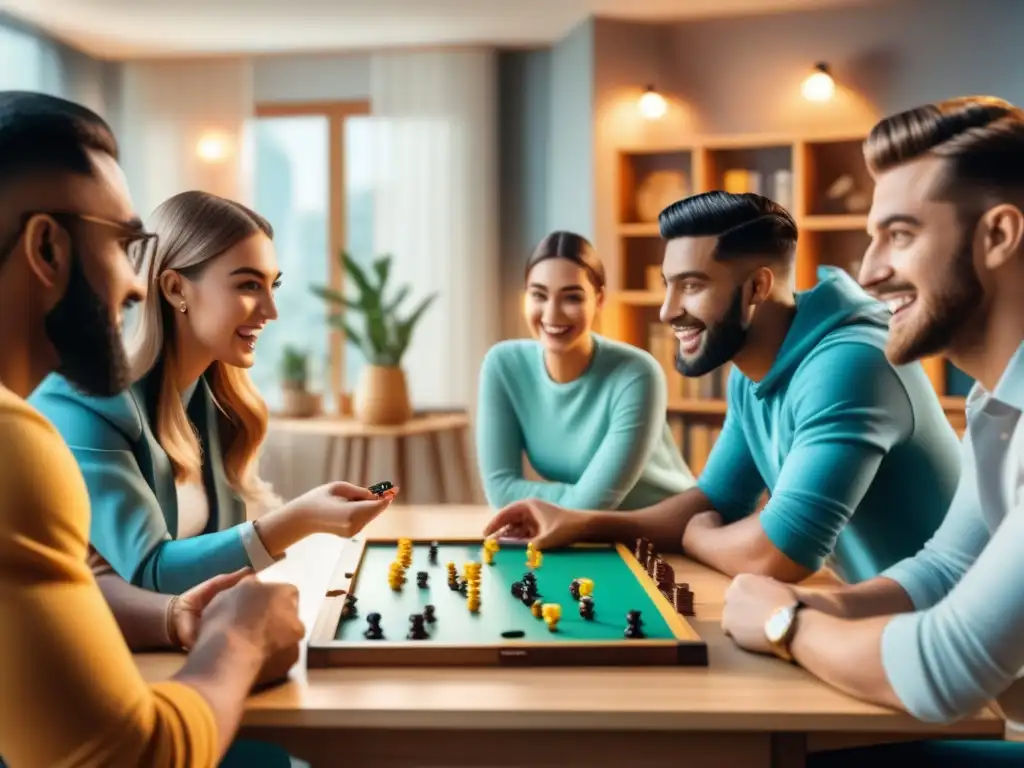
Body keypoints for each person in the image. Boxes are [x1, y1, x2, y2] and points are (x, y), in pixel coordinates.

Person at [0, 90, 303, 767]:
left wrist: (176, 617)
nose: (134, 284)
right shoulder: (16, 443)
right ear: (47, 248)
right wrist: (242, 639)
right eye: (123, 244)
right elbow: (130, 756)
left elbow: (90, 585)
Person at [720, 95, 1024, 765]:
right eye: (873, 235)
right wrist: (818, 607)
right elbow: (947, 566)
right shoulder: (995, 401)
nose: (868, 270)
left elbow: (944, 669)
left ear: (998, 236)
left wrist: (784, 624)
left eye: (902, 234)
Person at [484, 193, 963, 584]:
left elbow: (778, 555)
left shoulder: (850, 364)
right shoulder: (751, 371)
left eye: (691, 286)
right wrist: (580, 523)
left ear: (757, 288)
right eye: (668, 285)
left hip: (974, 652)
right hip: (894, 613)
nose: (667, 311)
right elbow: (714, 502)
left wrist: (698, 539)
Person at [31, 189, 397, 595]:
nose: (271, 311)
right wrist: (300, 520)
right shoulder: (84, 403)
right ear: (175, 289)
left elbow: (220, 556)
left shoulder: (214, 400)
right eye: (248, 286)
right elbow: (150, 570)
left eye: (272, 285)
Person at [476, 230, 696, 511]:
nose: (552, 314)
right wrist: (580, 497)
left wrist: (576, 500)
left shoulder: (637, 374)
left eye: (572, 298)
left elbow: (589, 506)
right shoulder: (503, 365)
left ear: (599, 300)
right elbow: (501, 491)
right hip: (586, 531)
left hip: (666, 527)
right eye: (539, 295)